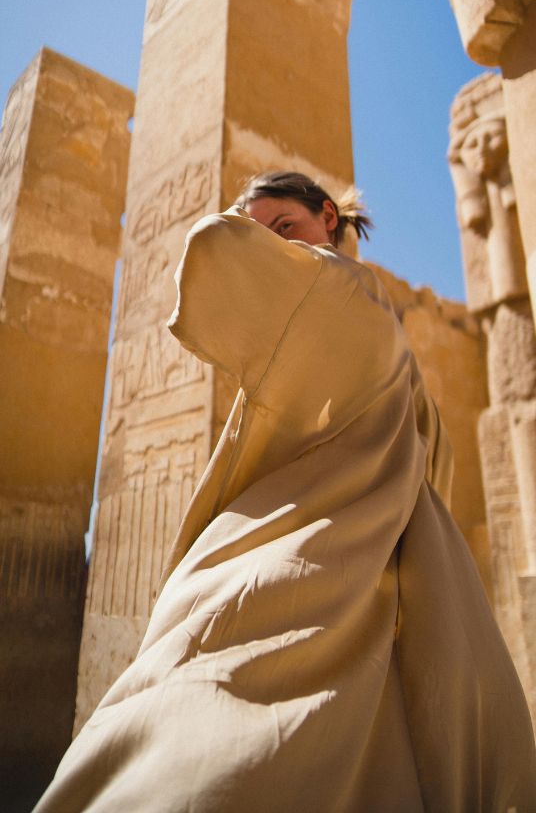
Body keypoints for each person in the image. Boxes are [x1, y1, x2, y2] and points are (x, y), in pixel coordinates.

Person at [36, 171, 535, 812]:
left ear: (329, 218)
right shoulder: (368, 345)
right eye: (263, 233)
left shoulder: (336, 287)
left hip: (320, 559)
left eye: (284, 227)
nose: (273, 246)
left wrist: (245, 230)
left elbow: (213, 244)